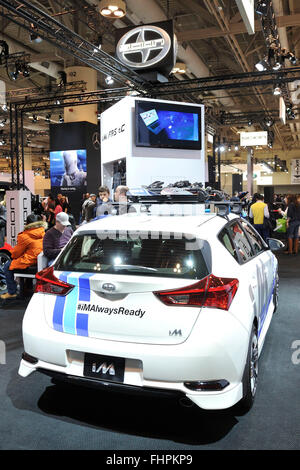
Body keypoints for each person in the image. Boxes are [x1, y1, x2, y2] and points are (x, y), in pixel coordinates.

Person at [1, 214, 47, 300]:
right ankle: (28, 287)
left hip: (29, 261)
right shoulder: (43, 232)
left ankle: (12, 292)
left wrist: (11, 253)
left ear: (27, 224)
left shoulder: (25, 235)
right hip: (39, 260)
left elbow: (15, 253)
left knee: (7, 266)